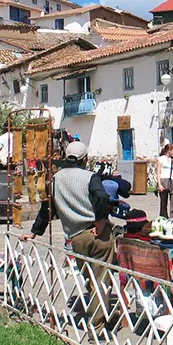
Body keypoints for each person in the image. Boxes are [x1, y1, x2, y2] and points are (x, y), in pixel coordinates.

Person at [21, 141, 113, 332]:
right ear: (85, 159)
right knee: (101, 280)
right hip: (96, 233)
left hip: (75, 237)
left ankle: (96, 316)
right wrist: (101, 221)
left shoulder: (55, 179)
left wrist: (35, 231)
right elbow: (102, 198)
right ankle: (97, 326)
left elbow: (47, 208)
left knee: (90, 279)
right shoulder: (90, 177)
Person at [156, 143, 173, 218]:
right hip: (164, 180)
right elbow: (158, 172)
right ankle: (163, 217)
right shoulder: (160, 159)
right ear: (169, 151)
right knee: (163, 201)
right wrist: (159, 184)